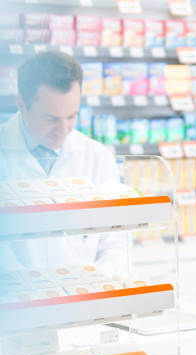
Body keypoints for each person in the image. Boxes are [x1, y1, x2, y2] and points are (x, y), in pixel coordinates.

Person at [0, 51, 125, 271]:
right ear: (21, 104)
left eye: (71, 116)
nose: (63, 130)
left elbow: (115, 241)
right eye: (50, 119)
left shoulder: (96, 157)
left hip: (85, 298)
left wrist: (106, 277)